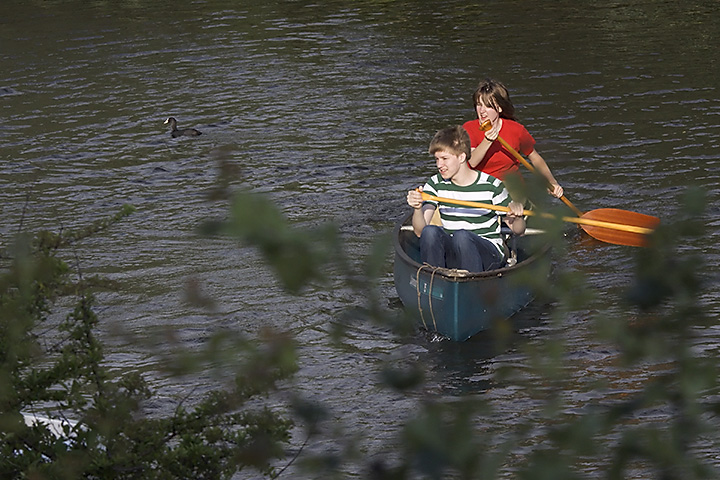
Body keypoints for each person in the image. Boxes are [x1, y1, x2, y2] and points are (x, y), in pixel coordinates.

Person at [406, 125, 525, 273]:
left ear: (461, 157)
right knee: (430, 232)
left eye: (444, 159)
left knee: (462, 236)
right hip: (455, 251)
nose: (439, 165)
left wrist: (518, 216)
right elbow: (420, 231)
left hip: (489, 254)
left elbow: (518, 230)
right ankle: (434, 280)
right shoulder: (435, 184)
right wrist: (417, 208)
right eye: (437, 159)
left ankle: (472, 282)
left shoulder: (492, 185)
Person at [462, 78, 564, 199]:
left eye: (488, 106)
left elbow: (535, 158)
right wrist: (487, 141)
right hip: (480, 188)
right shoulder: (468, 128)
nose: (482, 111)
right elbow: (471, 162)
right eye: (479, 105)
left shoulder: (516, 130)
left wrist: (553, 183)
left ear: (499, 108)